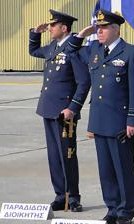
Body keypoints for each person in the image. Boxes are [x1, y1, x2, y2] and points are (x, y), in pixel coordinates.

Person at [74, 9, 134, 224]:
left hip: (119, 123)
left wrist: (132, 121)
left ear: (116, 29)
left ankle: (125, 211)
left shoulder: (131, 53)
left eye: (104, 27)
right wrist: (80, 36)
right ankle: (112, 208)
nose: (99, 31)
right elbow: (71, 52)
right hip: (100, 121)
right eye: (98, 27)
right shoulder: (95, 49)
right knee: (105, 170)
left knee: (122, 169)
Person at [29, 9, 90, 212]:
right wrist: (34, 34)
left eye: (53, 25)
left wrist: (73, 107)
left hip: (65, 112)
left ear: (64, 28)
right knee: (54, 155)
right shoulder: (53, 47)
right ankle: (59, 195)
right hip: (48, 108)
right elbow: (34, 51)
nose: (50, 28)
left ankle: (73, 197)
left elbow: (83, 82)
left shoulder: (74, 51)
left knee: (67, 155)